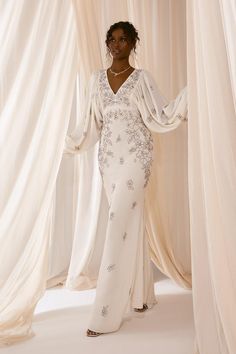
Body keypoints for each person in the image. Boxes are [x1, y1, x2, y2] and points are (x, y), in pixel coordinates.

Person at [64, 21, 188, 337]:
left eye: (124, 39)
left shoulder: (142, 80)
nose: (117, 44)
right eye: (113, 39)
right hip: (108, 163)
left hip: (136, 161)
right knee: (128, 226)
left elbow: (161, 115)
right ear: (108, 43)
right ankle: (141, 297)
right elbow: (90, 125)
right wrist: (65, 141)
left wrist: (191, 94)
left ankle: (104, 315)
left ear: (133, 43)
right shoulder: (95, 81)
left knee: (117, 225)